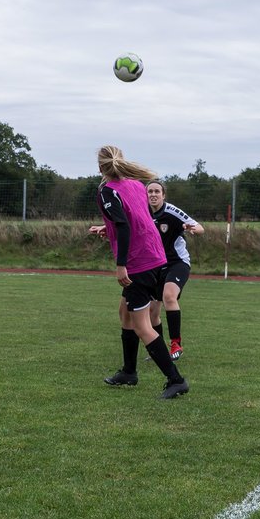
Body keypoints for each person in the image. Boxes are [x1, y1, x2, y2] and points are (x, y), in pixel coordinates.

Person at [92, 146, 189, 399]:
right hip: (156, 255)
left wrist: (121, 264)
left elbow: (124, 225)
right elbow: (139, 218)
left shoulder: (107, 191)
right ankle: (128, 372)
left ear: (100, 166)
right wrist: (108, 228)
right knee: (124, 312)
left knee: (142, 325)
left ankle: (176, 380)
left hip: (138, 262)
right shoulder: (135, 185)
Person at [146, 180, 204, 361]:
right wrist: (105, 229)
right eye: (150, 192)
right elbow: (123, 225)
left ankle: (176, 343)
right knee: (152, 312)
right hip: (155, 265)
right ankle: (159, 350)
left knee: (169, 296)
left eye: (157, 191)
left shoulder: (172, 212)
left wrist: (193, 229)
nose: (153, 195)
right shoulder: (142, 212)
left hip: (177, 263)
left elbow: (200, 227)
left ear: (163, 195)